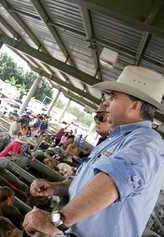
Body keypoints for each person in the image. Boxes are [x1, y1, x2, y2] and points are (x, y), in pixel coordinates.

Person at [22, 66, 164, 237]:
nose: (106, 102)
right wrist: (57, 187)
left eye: (113, 97)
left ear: (134, 105)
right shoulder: (115, 139)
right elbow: (89, 182)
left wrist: (56, 221)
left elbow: (115, 180)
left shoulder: (146, 141)